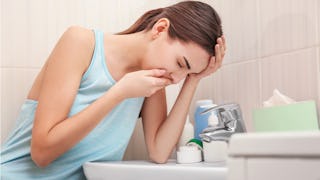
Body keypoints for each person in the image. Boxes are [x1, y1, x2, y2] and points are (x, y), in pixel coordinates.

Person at [1, 1, 226, 179]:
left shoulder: (152, 79)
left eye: (185, 73)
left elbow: (159, 152)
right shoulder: (80, 43)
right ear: (160, 28)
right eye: (180, 64)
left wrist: (194, 80)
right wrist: (118, 93)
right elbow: (41, 154)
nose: (176, 79)